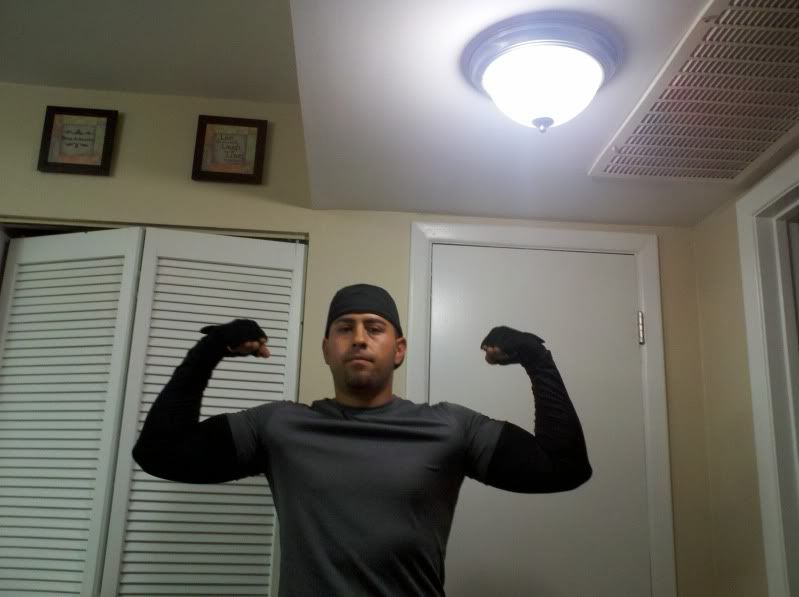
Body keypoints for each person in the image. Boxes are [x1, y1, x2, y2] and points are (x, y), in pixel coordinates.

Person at [133, 283, 592, 597]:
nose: (358, 338)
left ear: (398, 350)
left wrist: (537, 358)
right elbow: (159, 452)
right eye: (344, 328)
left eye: (374, 328)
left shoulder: (450, 427)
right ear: (326, 348)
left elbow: (563, 467)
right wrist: (207, 351)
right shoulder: (278, 427)